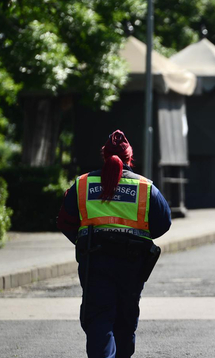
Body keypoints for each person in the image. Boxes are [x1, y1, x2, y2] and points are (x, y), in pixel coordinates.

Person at [56, 130, 172, 358]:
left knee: (99, 319)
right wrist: (140, 235)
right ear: (130, 158)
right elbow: (164, 222)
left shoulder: (82, 184)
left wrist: (84, 241)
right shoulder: (145, 188)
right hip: (132, 262)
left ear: (104, 155)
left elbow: (65, 221)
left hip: (95, 261)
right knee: (125, 321)